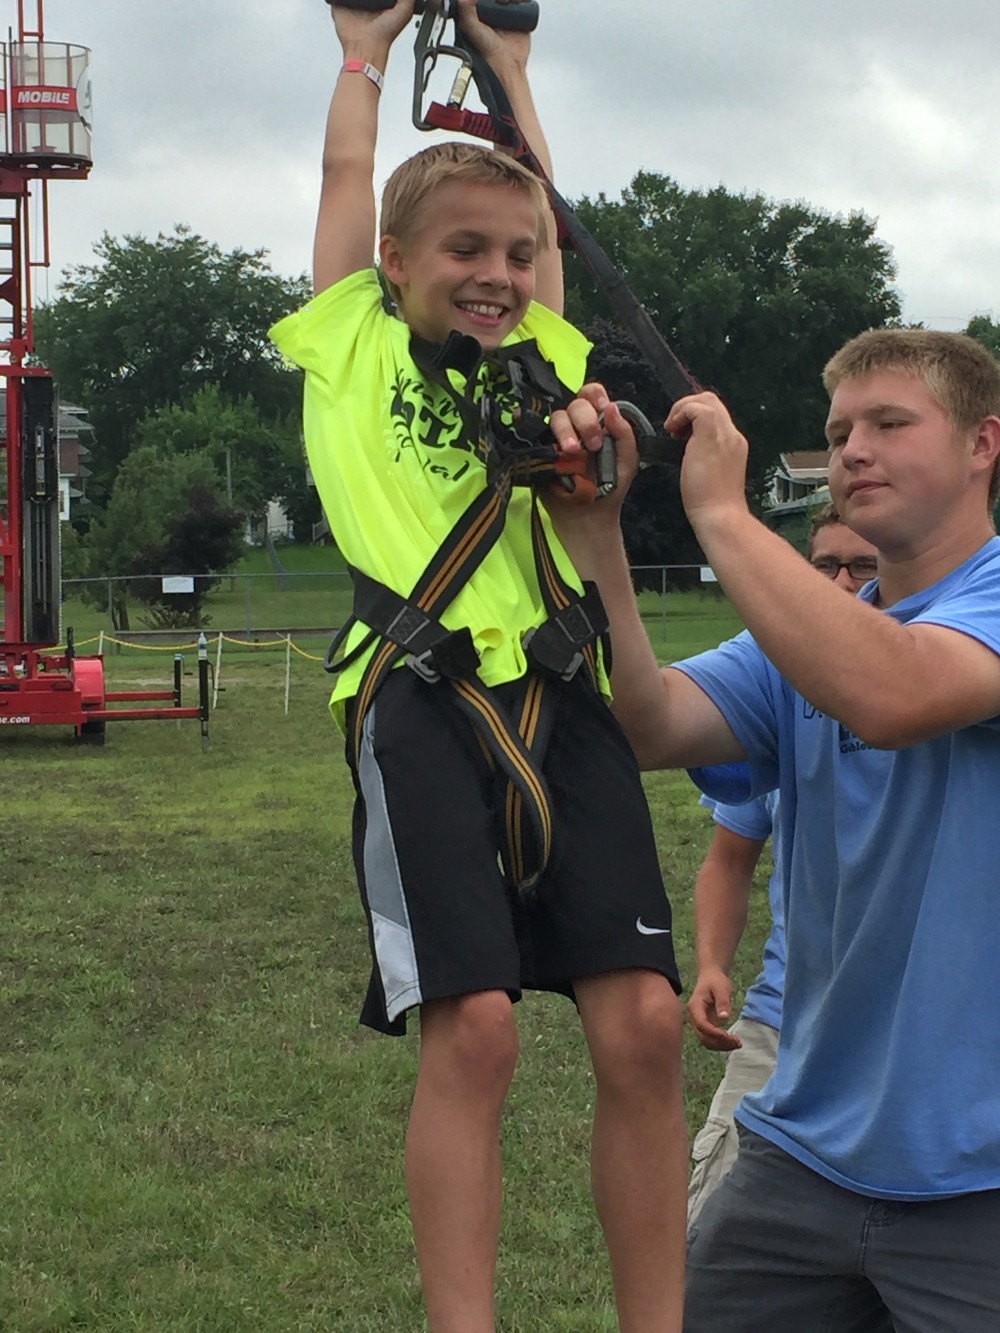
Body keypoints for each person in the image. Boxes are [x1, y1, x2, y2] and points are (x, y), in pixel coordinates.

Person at [268, 4, 686, 1330]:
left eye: (515, 253)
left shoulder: (539, 365)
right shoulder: (350, 348)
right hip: (419, 697)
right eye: (461, 250)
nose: (497, 271)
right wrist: (364, 52)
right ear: (393, 265)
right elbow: (349, 183)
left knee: (640, 1027)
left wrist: (509, 68)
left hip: (562, 694)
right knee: (481, 1030)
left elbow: (546, 219)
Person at [548, 328, 1000, 1331]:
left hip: (980, 1181)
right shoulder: (800, 639)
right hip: (801, 1156)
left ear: (982, 445)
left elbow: (895, 689)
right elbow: (645, 720)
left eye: (889, 423)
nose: (851, 451)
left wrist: (718, 509)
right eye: (839, 430)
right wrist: (600, 535)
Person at [686, 505, 878, 1227]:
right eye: (823, 564)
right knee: (709, 1241)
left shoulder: (954, 666)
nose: (839, 582)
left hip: (923, 1052)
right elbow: (730, 858)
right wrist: (711, 962)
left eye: (863, 566)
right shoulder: (782, 684)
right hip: (782, 1022)